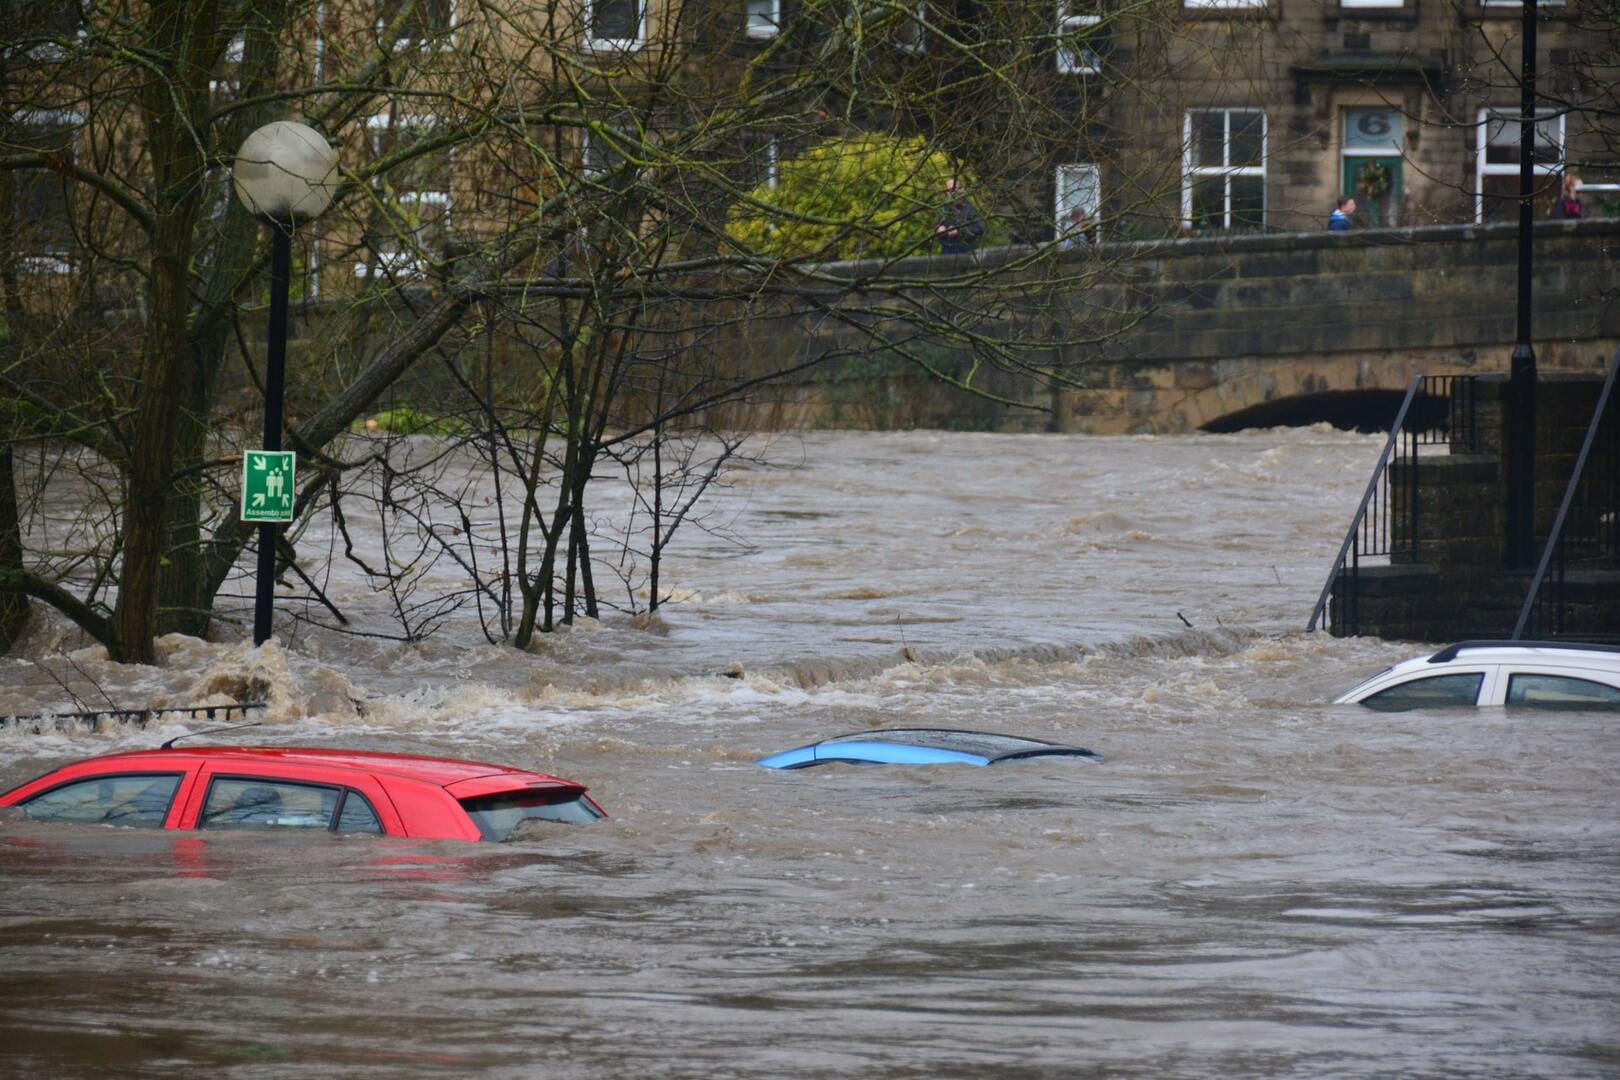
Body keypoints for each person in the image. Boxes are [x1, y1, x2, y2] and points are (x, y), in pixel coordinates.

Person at [936, 177, 985, 254]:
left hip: (965, 254)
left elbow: (980, 228)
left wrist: (959, 231)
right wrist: (939, 230)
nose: (953, 193)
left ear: (962, 190)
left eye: (955, 189)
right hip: (947, 255)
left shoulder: (969, 209)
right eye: (949, 190)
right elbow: (936, 229)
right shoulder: (944, 210)